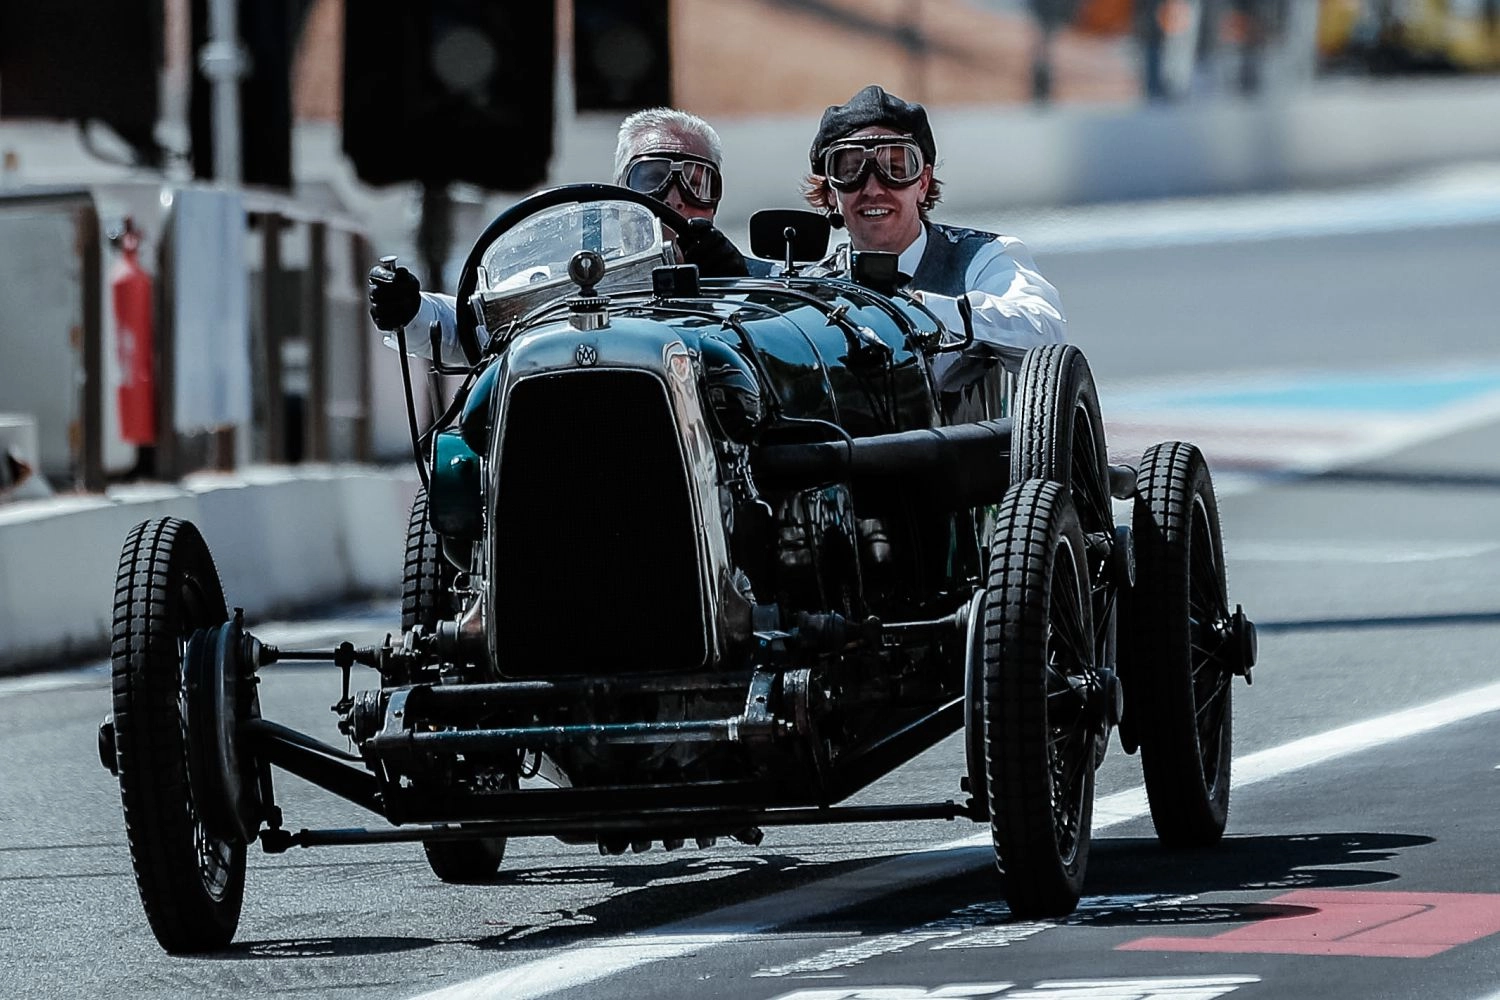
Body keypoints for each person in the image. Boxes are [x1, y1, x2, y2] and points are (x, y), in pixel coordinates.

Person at [368, 107, 758, 361]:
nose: (675, 200)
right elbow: (467, 326)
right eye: (652, 178)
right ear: (621, 188)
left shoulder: (756, 288)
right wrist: (410, 309)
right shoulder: (568, 275)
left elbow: (779, 350)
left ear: (715, 199)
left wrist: (736, 289)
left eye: (696, 182)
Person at [803, 84, 1066, 393]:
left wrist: (919, 309)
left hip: (960, 441)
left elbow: (1045, 333)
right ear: (832, 193)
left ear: (923, 183)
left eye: (895, 169)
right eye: (850, 171)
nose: (873, 189)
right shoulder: (814, 287)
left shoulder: (982, 257)